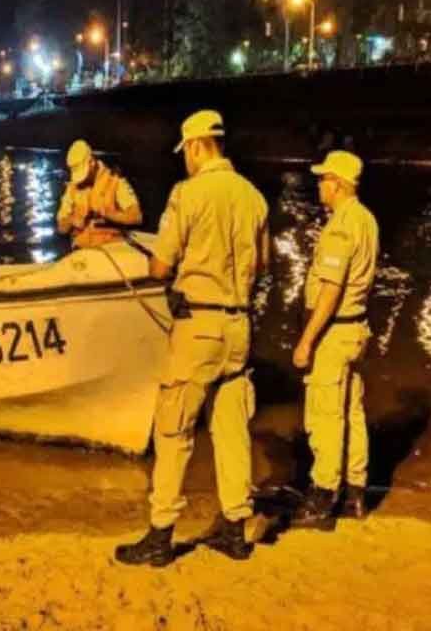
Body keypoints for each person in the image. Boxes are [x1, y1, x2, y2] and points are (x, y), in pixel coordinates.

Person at [115, 110, 270, 566]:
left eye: (186, 152)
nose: (185, 160)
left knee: (174, 428)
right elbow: (263, 264)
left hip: (198, 325)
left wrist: (172, 269)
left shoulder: (187, 194)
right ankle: (236, 528)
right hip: (239, 327)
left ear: (199, 146)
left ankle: (161, 533)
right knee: (231, 428)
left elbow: (161, 265)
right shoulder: (254, 197)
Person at [290, 150, 379, 529]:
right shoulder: (366, 219)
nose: (319, 185)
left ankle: (323, 497)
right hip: (357, 329)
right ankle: (356, 492)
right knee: (352, 413)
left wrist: (306, 340)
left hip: (335, 331)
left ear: (339, 185)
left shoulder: (341, 226)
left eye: (324, 179)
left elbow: (331, 289)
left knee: (325, 416)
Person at [56, 139, 142, 248]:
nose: (82, 180)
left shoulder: (115, 181)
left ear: (92, 162)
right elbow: (61, 228)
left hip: (111, 247)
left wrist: (109, 214)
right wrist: (72, 220)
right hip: (82, 250)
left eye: (84, 173)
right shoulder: (72, 187)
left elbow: (136, 217)